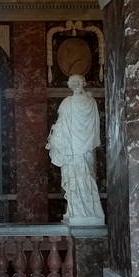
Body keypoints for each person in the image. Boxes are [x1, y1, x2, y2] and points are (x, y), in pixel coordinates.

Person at [47, 74, 103, 223]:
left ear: (83, 83)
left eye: (77, 82)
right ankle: (76, 211)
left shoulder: (87, 102)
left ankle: (88, 211)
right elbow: (61, 125)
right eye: (73, 82)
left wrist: (53, 138)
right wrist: (54, 137)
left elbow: (94, 126)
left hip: (81, 149)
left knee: (85, 177)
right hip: (75, 148)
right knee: (78, 178)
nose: (76, 85)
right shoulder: (71, 103)